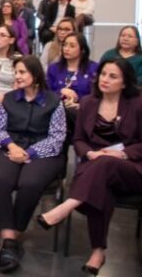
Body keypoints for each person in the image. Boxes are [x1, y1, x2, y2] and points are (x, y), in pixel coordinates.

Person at [37, 58, 142, 275]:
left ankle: (67, 207)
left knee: (105, 165)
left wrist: (121, 153)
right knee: (101, 186)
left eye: (113, 76)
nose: (105, 79)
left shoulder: (137, 104)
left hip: (129, 167)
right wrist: (89, 152)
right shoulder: (88, 103)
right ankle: (98, 251)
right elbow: (78, 140)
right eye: (103, 74)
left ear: (124, 83)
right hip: (95, 165)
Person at [0, 56, 66, 273]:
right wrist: (12, 147)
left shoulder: (54, 101)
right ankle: (9, 240)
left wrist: (30, 153)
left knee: (29, 184)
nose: (17, 76)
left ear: (35, 75)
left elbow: (57, 138)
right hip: (12, 147)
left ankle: (17, 232)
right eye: (16, 72)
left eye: (22, 72)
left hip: (45, 152)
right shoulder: (9, 99)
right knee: (0, 179)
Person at [47, 32, 98, 127]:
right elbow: (46, 93)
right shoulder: (53, 68)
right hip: (56, 112)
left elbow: (96, 96)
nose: (66, 49)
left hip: (83, 113)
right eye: (65, 45)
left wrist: (80, 104)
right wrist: (60, 92)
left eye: (72, 46)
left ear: (82, 50)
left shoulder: (93, 68)